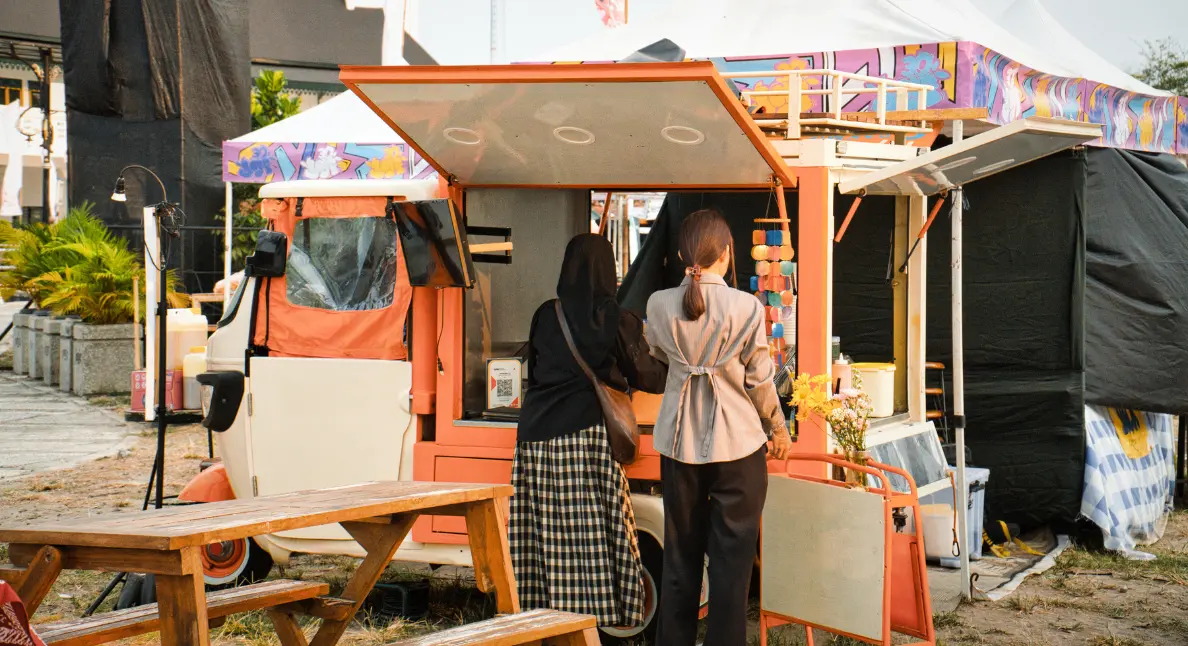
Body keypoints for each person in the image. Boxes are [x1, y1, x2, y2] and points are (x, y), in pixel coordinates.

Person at [645, 208, 793, 645]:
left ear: (679, 254)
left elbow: (656, 358)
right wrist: (778, 430)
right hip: (739, 448)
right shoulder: (746, 307)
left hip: (677, 446)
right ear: (727, 254)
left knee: (679, 564)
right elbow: (759, 380)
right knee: (731, 572)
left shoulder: (658, 304)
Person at [510, 233, 668, 628]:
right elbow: (648, 377)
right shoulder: (617, 318)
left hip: (536, 439)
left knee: (542, 533)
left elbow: (535, 372)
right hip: (586, 436)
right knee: (593, 534)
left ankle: (541, 616)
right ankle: (594, 616)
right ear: (608, 271)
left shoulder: (547, 314)